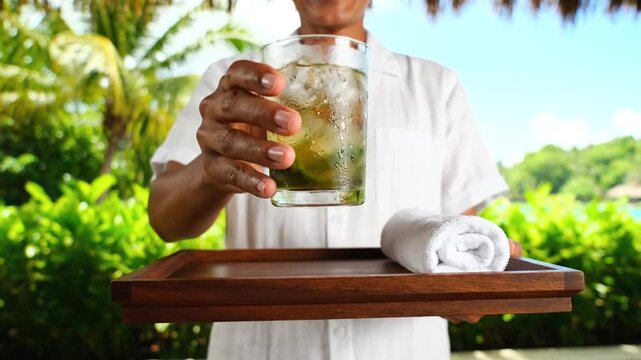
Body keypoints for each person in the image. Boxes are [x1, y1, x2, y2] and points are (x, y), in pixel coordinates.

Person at [148, 0, 521, 359]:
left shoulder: (437, 86)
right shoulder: (229, 80)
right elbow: (165, 218)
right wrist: (211, 171)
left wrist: (472, 280)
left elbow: (459, 236)